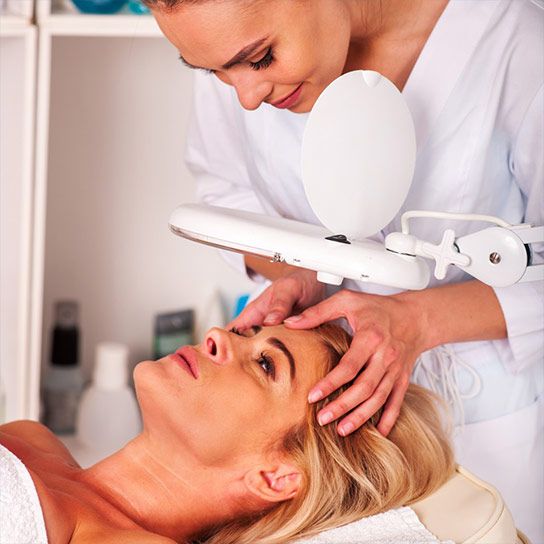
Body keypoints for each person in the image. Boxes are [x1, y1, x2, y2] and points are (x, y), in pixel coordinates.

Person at [144, 0, 543, 539]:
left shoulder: (517, 46)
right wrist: (312, 269)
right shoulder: (229, 48)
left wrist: (420, 320)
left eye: (261, 58)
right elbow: (226, 196)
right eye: (214, 72)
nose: (247, 97)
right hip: (324, 457)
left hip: (491, 418)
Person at [1, 324, 459, 543]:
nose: (217, 335)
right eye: (245, 333)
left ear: (276, 476)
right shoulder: (32, 438)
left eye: (266, 364)